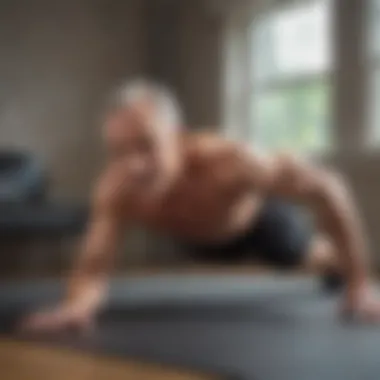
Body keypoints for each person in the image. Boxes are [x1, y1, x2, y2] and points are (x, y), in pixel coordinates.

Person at [22, 79, 380, 332]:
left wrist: (359, 285)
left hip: (257, 228)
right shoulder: (117, 187)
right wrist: (77, 307)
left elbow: (331, 187)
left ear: (177, 134)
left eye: (146, 145)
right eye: (119, 152)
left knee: (316, 258)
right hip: (195, 240)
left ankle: (341, 268)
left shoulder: (231, 161)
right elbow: (94, 264)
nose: (134, 164)